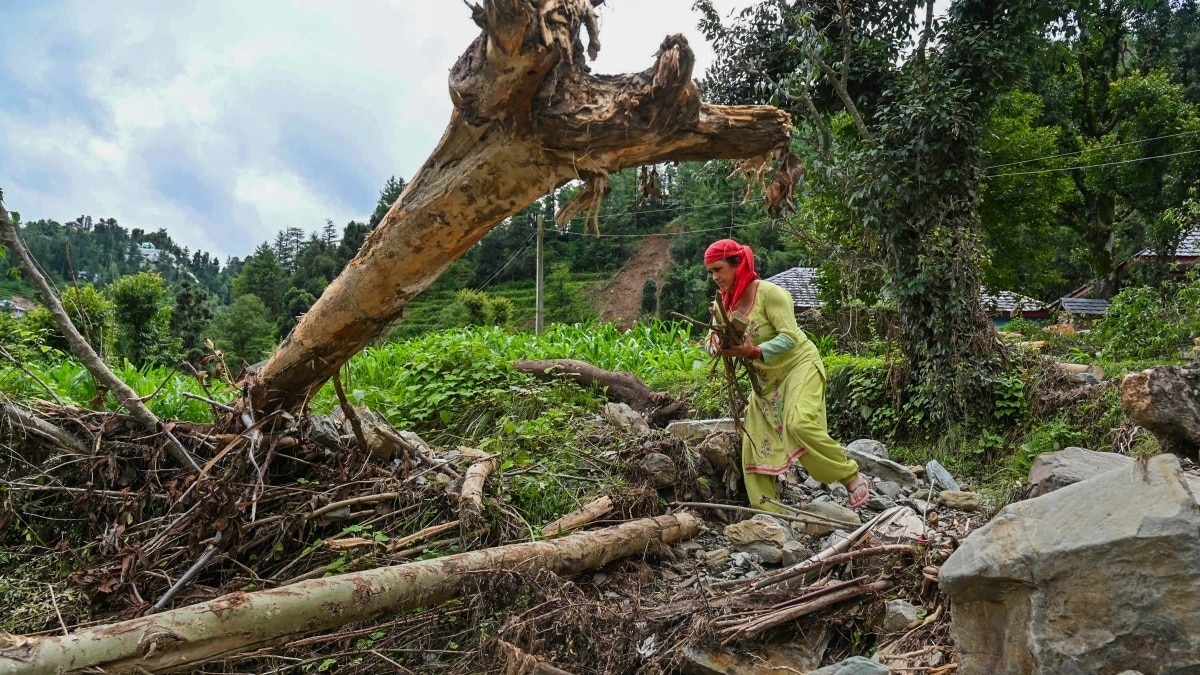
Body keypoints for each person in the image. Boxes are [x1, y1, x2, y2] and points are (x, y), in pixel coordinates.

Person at [703, 238, 870, 512]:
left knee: (800, 424)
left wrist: (752, 351)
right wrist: (717, 346)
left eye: (718, 269)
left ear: (737, 264)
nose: (715, 277)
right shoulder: (722, 306)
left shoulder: (770, 294)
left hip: (798, 367)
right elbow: (711, 339)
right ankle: (770, 514)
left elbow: (790, 338)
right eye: (710, 272)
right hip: (766, 383)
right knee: (754, 444)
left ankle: (850, 476)